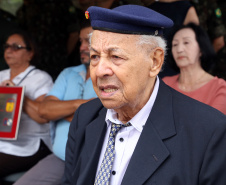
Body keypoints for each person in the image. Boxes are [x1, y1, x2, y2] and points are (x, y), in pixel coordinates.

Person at [62, 5, 226, 185]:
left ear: (155, 61)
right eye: (94, 57)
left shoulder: (208, 131)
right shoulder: (85, 116)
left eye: (116, 56)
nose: (99, 71)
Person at [13, 20, 97, 185]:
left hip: (93, 164)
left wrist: (63, 109)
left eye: (88, 41)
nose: (81, 47)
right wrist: (83, 105)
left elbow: (100, 117)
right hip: (60, 159)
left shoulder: (112, 76)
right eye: (81, 41)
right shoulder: (68, 73)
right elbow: (44, 110)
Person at [0, 30, 53, 179]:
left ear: (30, 53)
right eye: (7, 46)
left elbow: (43, 117)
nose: (9, 50)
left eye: (16, 47)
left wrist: (16, 94)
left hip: (30, 143)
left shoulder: (40, 78)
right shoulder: (1, 75)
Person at [163, 23, 226, 115]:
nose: (179, 49)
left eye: (186, 42)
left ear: (201, 49)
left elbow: (213, 126)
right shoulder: (165, 84)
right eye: (175, 44)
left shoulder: (219, 87)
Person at [142, 0, 199, 78]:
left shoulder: (148, 10)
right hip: (177, 69)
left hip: (154, 68)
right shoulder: (186, 8)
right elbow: (196, 41)